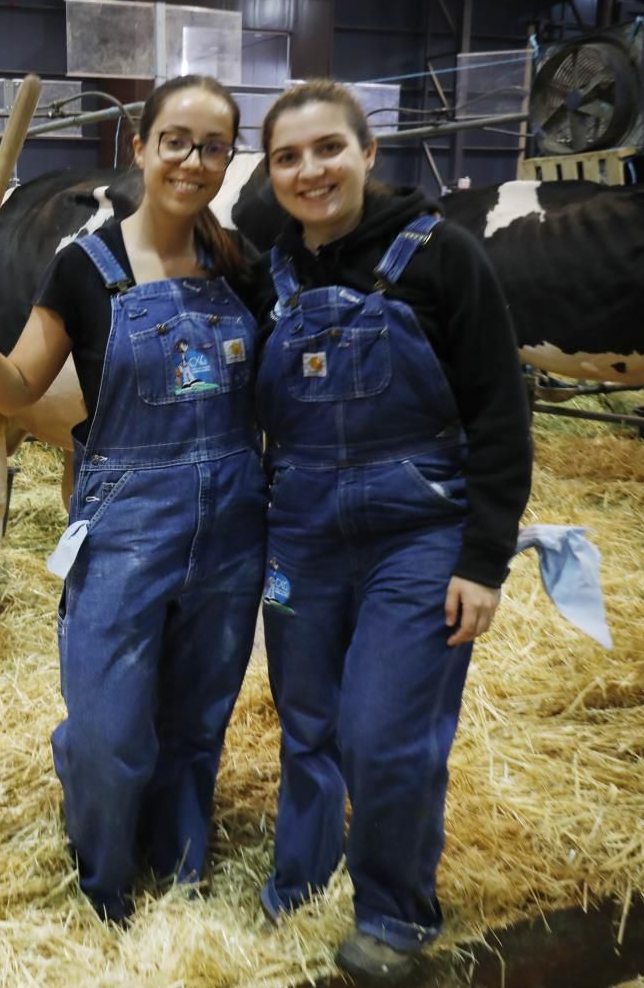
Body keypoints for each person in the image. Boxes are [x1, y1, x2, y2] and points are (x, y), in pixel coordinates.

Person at [0, 75, 267, 923]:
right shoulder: (87, 266)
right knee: (111, 732)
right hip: (124, 528)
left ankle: (183, 869)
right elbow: (14, 391)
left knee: (197, 725)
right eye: (177, 141)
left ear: (228, 158)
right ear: (142, 148)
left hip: (230, 531)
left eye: (213, 146)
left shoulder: (241, 266)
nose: (193, 161)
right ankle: (106, 881)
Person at [251, 80, 532, 983]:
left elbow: (500, 413)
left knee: (383, 733)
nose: (311, 170)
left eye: (328, 148)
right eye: (289, 157)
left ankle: (395, 912)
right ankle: (300, 873)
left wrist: (483, 560)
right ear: (271, 173)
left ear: (369, 153)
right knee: (306, 722)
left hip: (418, 532)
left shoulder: (444, 257)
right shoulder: (272, 273)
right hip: (300, 530)